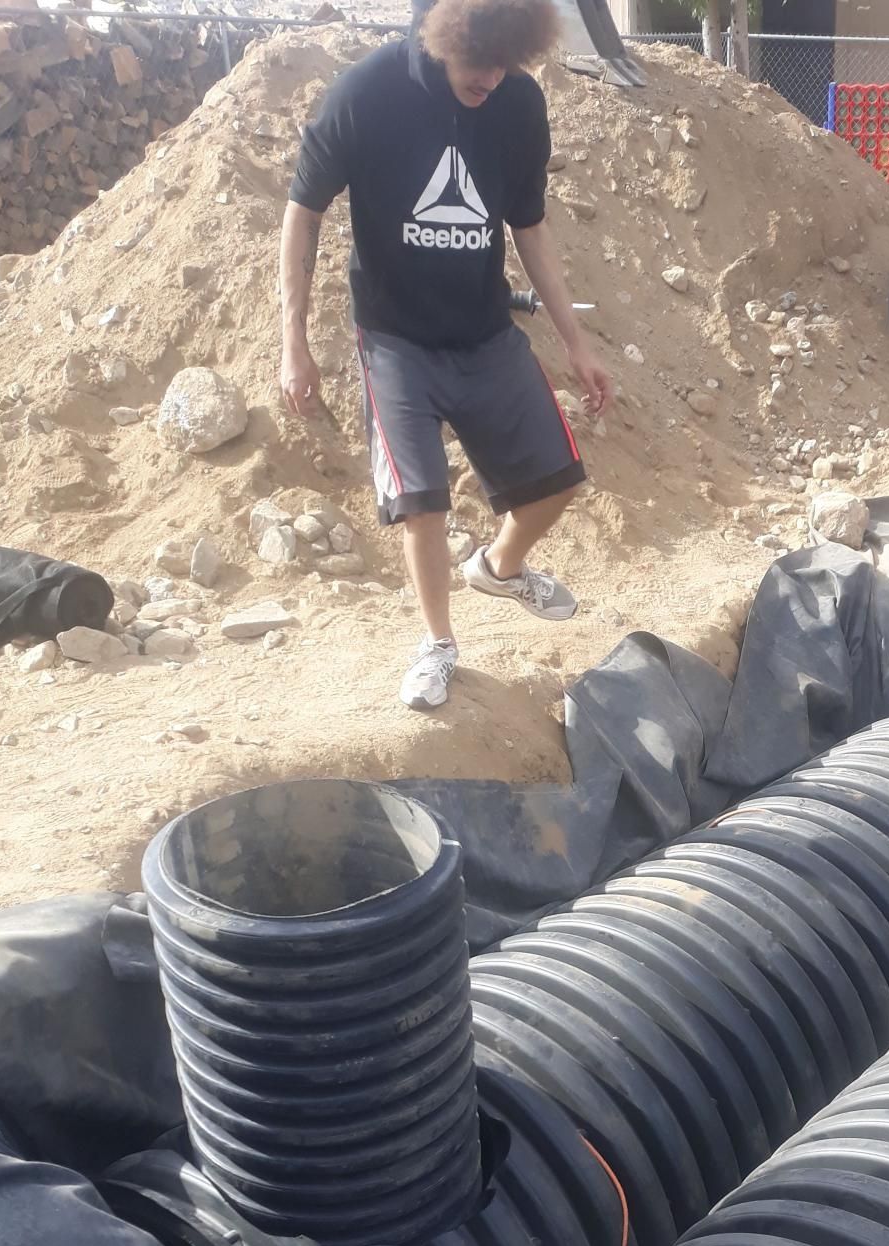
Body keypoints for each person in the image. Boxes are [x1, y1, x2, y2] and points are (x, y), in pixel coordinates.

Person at [279, 0, 613, 712]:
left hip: (485, 331)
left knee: (557, 480)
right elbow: (302, 209)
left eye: (505, 61)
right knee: (421, 501)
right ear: (441, 36)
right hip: (394, 337)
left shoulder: (518, 103)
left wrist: (576, 343)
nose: (490, 77)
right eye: (477, 59)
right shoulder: (365, 94)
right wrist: (294, 344)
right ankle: (438, 644)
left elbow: (532, 230)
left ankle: (498, 566)